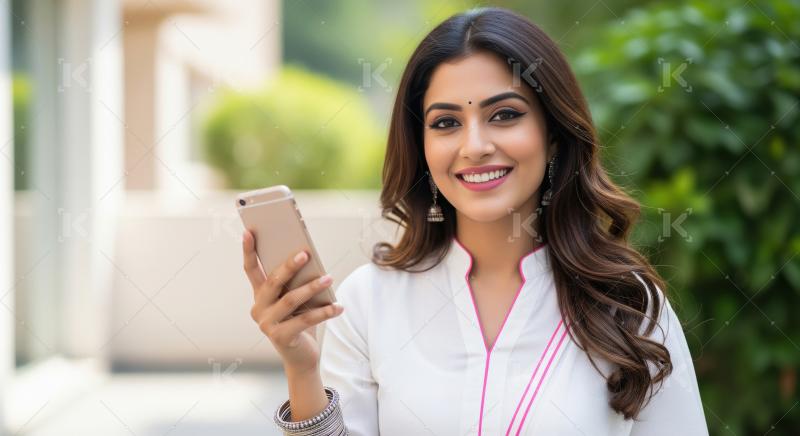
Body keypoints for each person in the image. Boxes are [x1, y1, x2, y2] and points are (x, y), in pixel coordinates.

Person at [243, 6, 708, 436]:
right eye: (446, 123)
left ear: (553, 134)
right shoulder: (369, 302)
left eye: (504, 115)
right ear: (420, 146)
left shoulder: (627, 304)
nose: (474, 146)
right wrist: (302, 371)